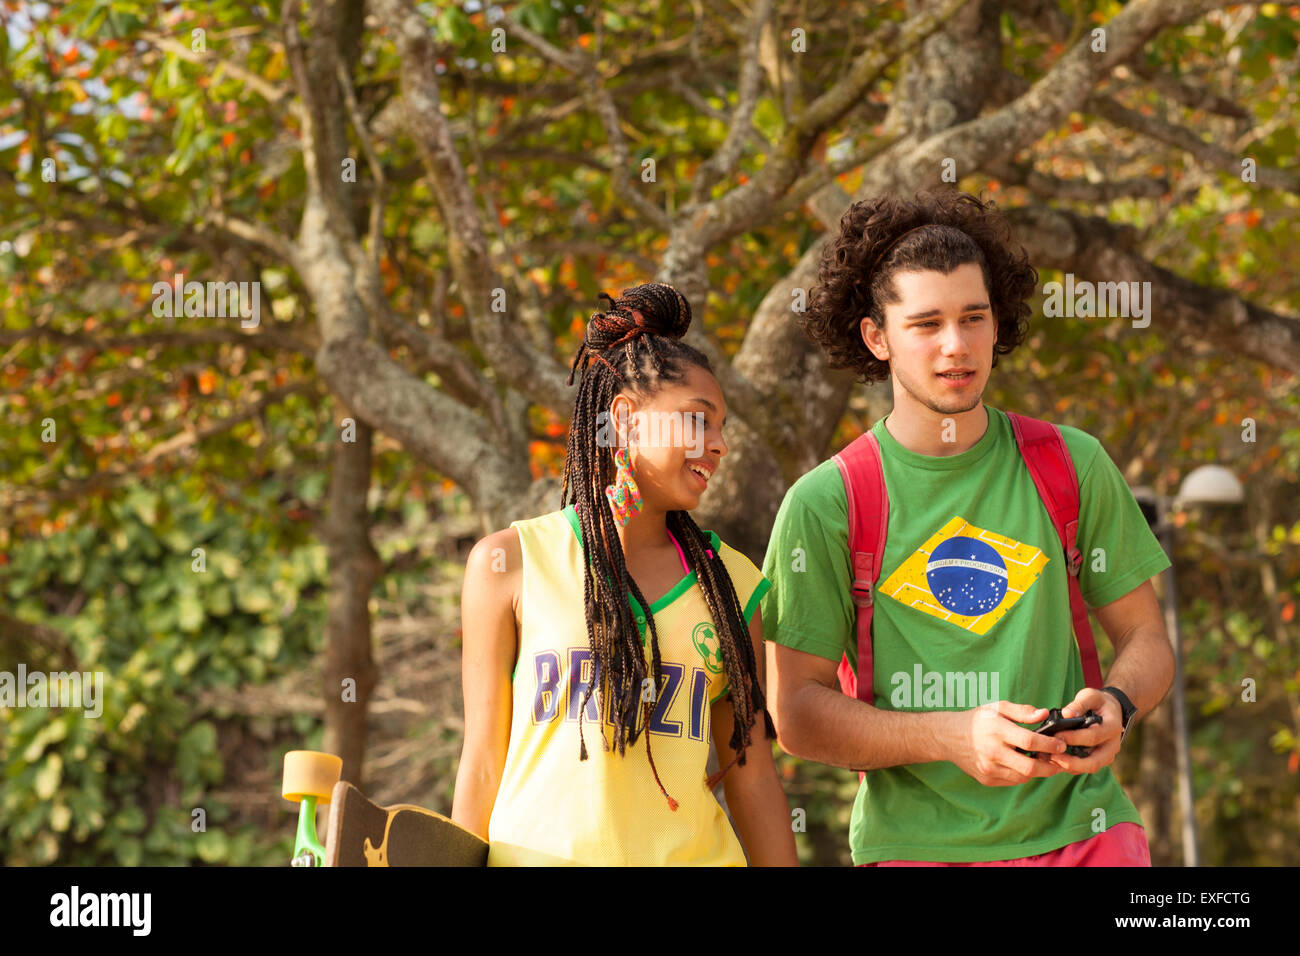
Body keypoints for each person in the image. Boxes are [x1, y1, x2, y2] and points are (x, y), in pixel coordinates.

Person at [762, 190, 1174, 866]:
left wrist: (1120, 704)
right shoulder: (827, 502)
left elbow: (1146, 638)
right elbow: (798, 715)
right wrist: (948, 735)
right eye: (926, 324)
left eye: (973, 317)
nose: (956, 346)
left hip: (1087, 834)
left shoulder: (1072, 463)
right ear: (878, 337)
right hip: (914, 849)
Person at [454, 282, 798, 866]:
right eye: (698, 421)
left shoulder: (733, 584)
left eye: (722, 429)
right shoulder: (509, 563)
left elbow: (752, 776)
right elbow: (484, 759)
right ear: (624, 419)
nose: (718, 446)